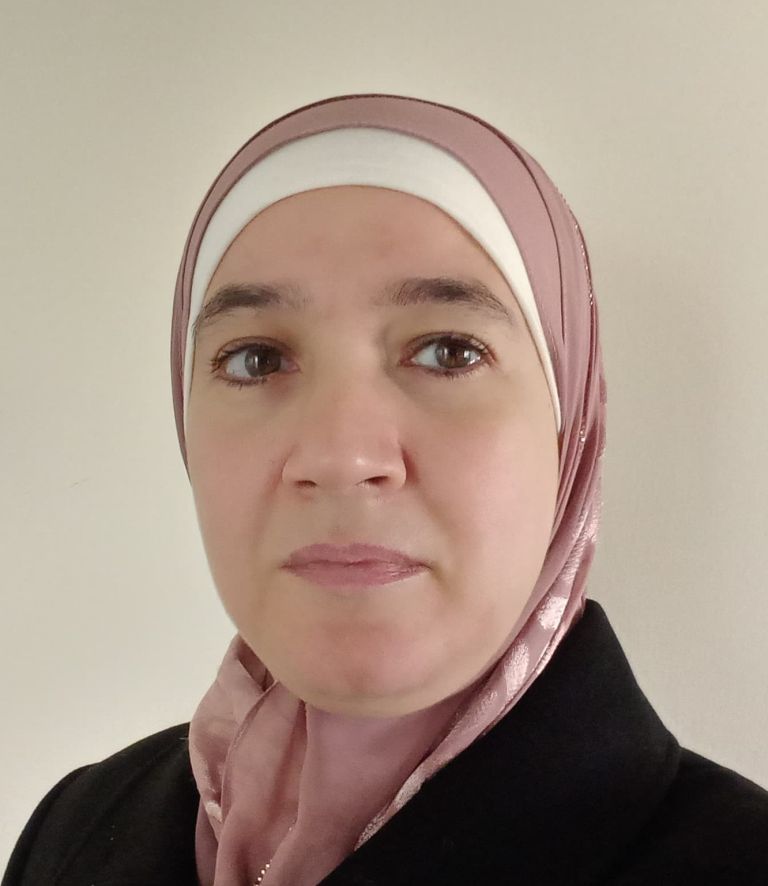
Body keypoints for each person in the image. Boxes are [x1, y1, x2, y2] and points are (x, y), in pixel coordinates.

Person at [3, 92, 767, 886]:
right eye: (257, 360)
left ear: (569, 425)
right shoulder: (75, 828)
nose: (342, 456)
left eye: (448, 352)